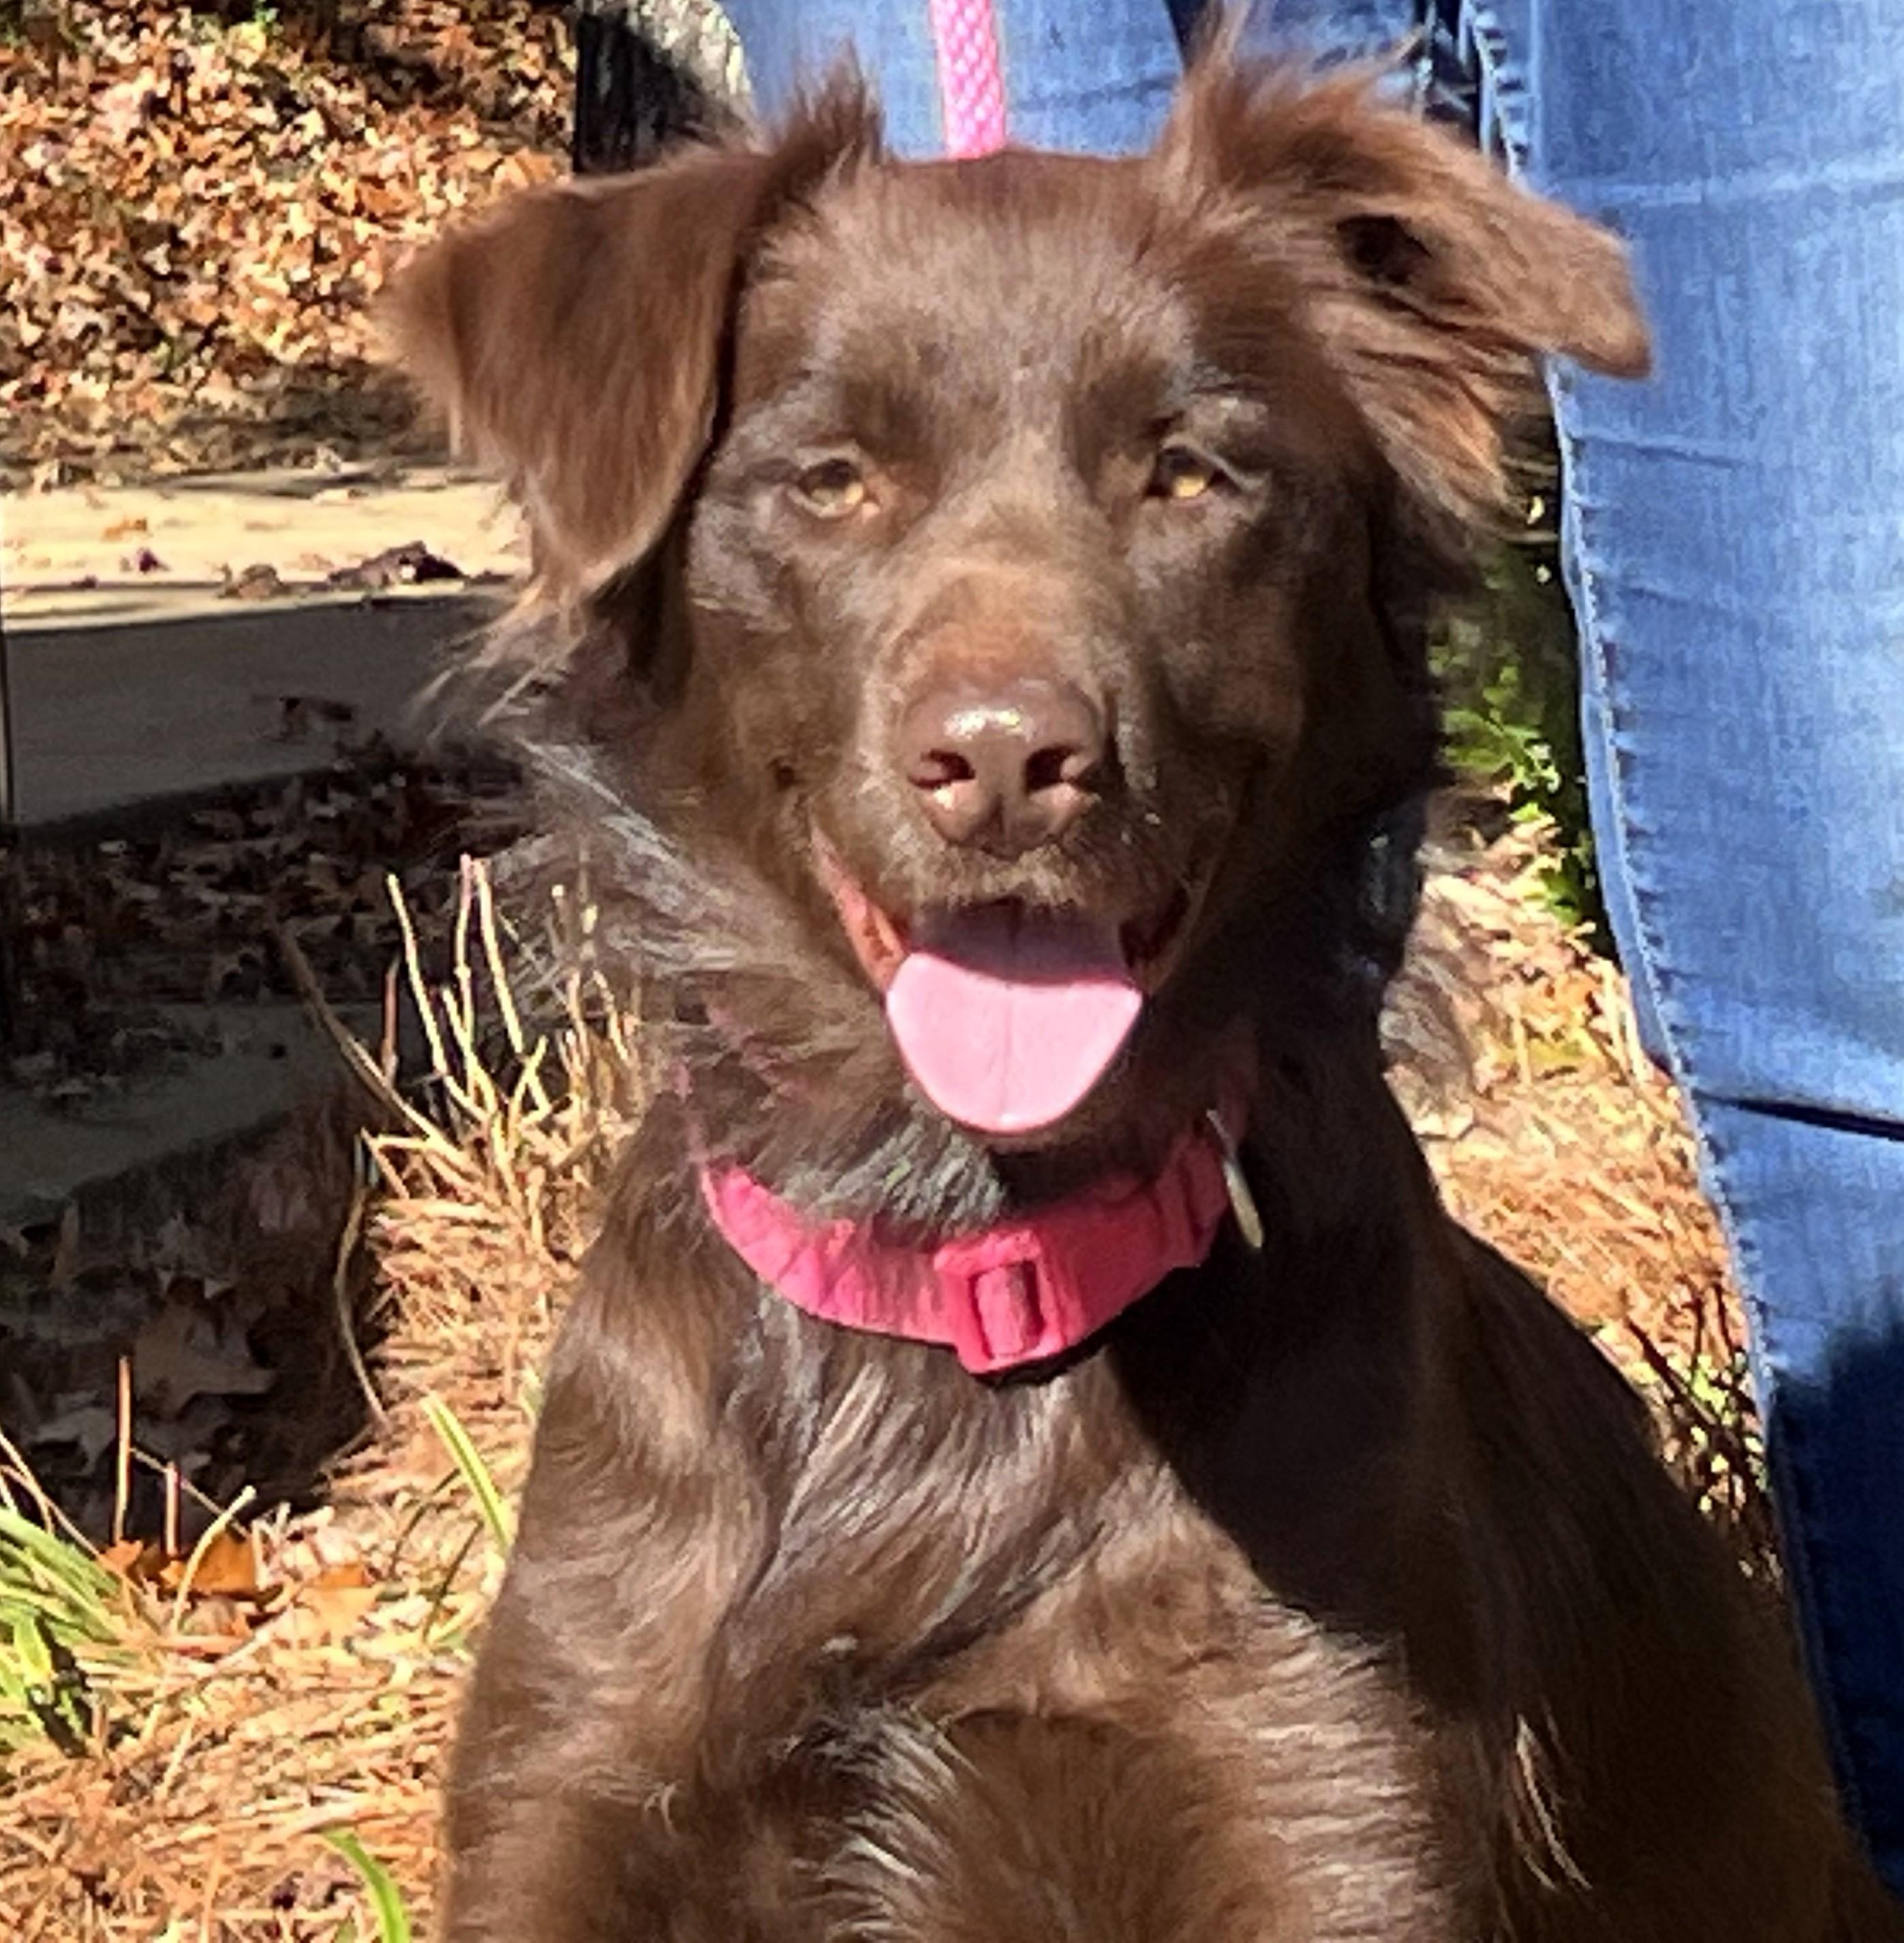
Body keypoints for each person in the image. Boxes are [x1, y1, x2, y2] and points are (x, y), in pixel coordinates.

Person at [606, 0, 1904, 1896]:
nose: (1002, 731)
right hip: (721, 1423)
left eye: (1185, 473)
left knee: (1857, 914)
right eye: (829, 483)